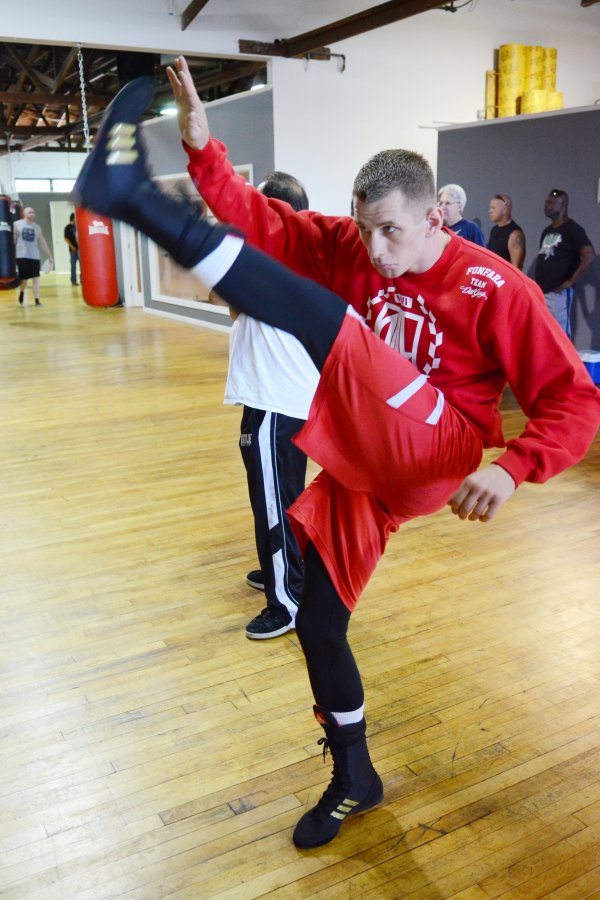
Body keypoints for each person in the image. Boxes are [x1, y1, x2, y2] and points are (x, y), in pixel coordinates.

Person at [73, 74, 600, 852]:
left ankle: (135, 198)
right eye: (363, 229)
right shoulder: (355, 245)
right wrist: (203, 149)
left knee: (329, 324)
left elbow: (574, 401)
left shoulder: (495, 285)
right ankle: (355, 774)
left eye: (390, 231)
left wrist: (512, 467)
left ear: (434, 218)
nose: (375, 249)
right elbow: (265, 220)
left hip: (440, 445)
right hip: (368, 461)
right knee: (318, 622)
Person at [223, 171, 314, 639]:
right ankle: (285, 567)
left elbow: (226, 300)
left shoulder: (271, 255)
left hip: (275, 399)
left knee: (274, 501)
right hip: (279, 396)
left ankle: (287, 600)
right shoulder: (299, 253)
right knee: (282, 496)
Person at [534, 189, 596, 338]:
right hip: (541, 292)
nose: (546, 206)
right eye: (546, 203)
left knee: (559, 335)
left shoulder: (572, 229)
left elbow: (589, 255)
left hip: (558, 293)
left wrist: (571, 281)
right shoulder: (547, 231)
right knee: (543, 334)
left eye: (550, 202)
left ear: (562, 204)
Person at [13, 206, 53, 306]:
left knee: (36, 278)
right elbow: (13, 239)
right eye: (30, 212)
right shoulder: (17, 224)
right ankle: (22, 292)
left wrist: (49, 255)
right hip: (21, 255)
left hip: (34, 256)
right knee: (24, 279)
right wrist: (11, 254)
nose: (32, 214)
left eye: (33, 212)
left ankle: (37, 300)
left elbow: (42, 241)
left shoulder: (37, 227)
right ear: (24, 213)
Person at [487, 193, 526, 269]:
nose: (490, 211)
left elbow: (516, 269)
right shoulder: (494, 230)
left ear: (505, 209)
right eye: (490, 208)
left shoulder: (514, 235)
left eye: (493, 208)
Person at [64, 212, 79, 285]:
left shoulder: (78, 226)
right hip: (73, 250)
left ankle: (83, 280)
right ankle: (73, 281)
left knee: (83, 266)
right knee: (73, 266)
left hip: (80, 250)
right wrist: (72, 246)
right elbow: (66, 238)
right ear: (73, 218)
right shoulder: (68, 227)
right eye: (76, 218)